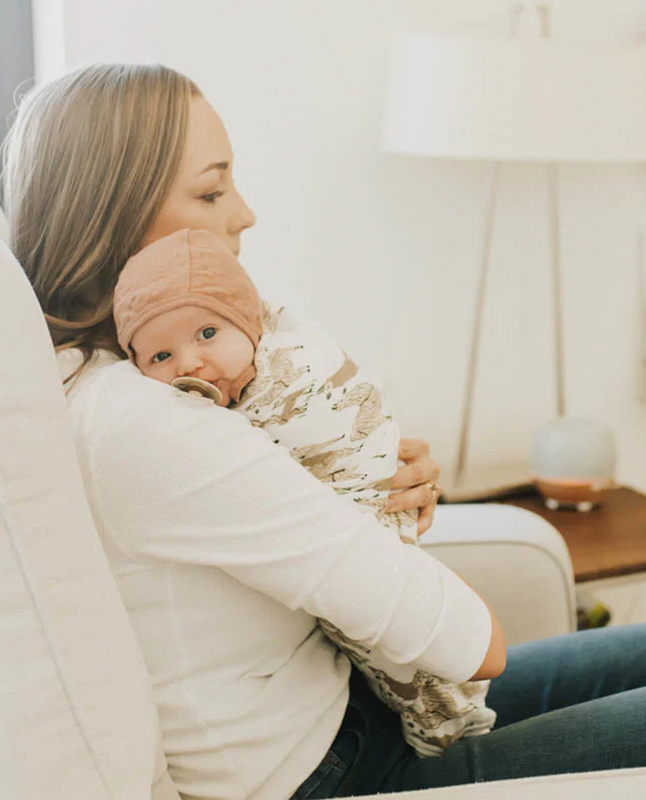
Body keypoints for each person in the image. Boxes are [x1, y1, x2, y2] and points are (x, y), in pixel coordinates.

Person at [4, 62, 646, 800]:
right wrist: (357, 511)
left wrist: (344, 480)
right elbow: (469, 641)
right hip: (329, 774)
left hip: (344, 706)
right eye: (212, 194)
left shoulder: (126, 377)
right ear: (115, 216)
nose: (245, 213)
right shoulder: (145, 423)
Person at [111, 226, 496, 757]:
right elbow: (482, 649)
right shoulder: (163, 425)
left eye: (205, 335)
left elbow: (341, 419)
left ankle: (447, 717)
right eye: (160, 358)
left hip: (363, 673)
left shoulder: (285, 367)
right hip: (344, 743)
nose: (190, 365)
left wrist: (376, 458)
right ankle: (443, 722)